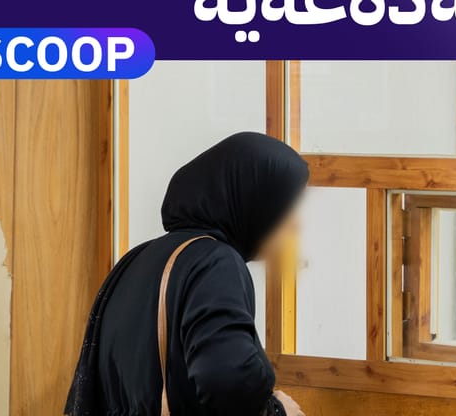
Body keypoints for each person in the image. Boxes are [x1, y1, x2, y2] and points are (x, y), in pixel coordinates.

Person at [66, 132, 308, 416]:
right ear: (253, 202)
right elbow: (227, 381)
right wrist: (277, 411)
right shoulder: (215, 263)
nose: (295, 224)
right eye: (285, 207)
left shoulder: (135, 260)